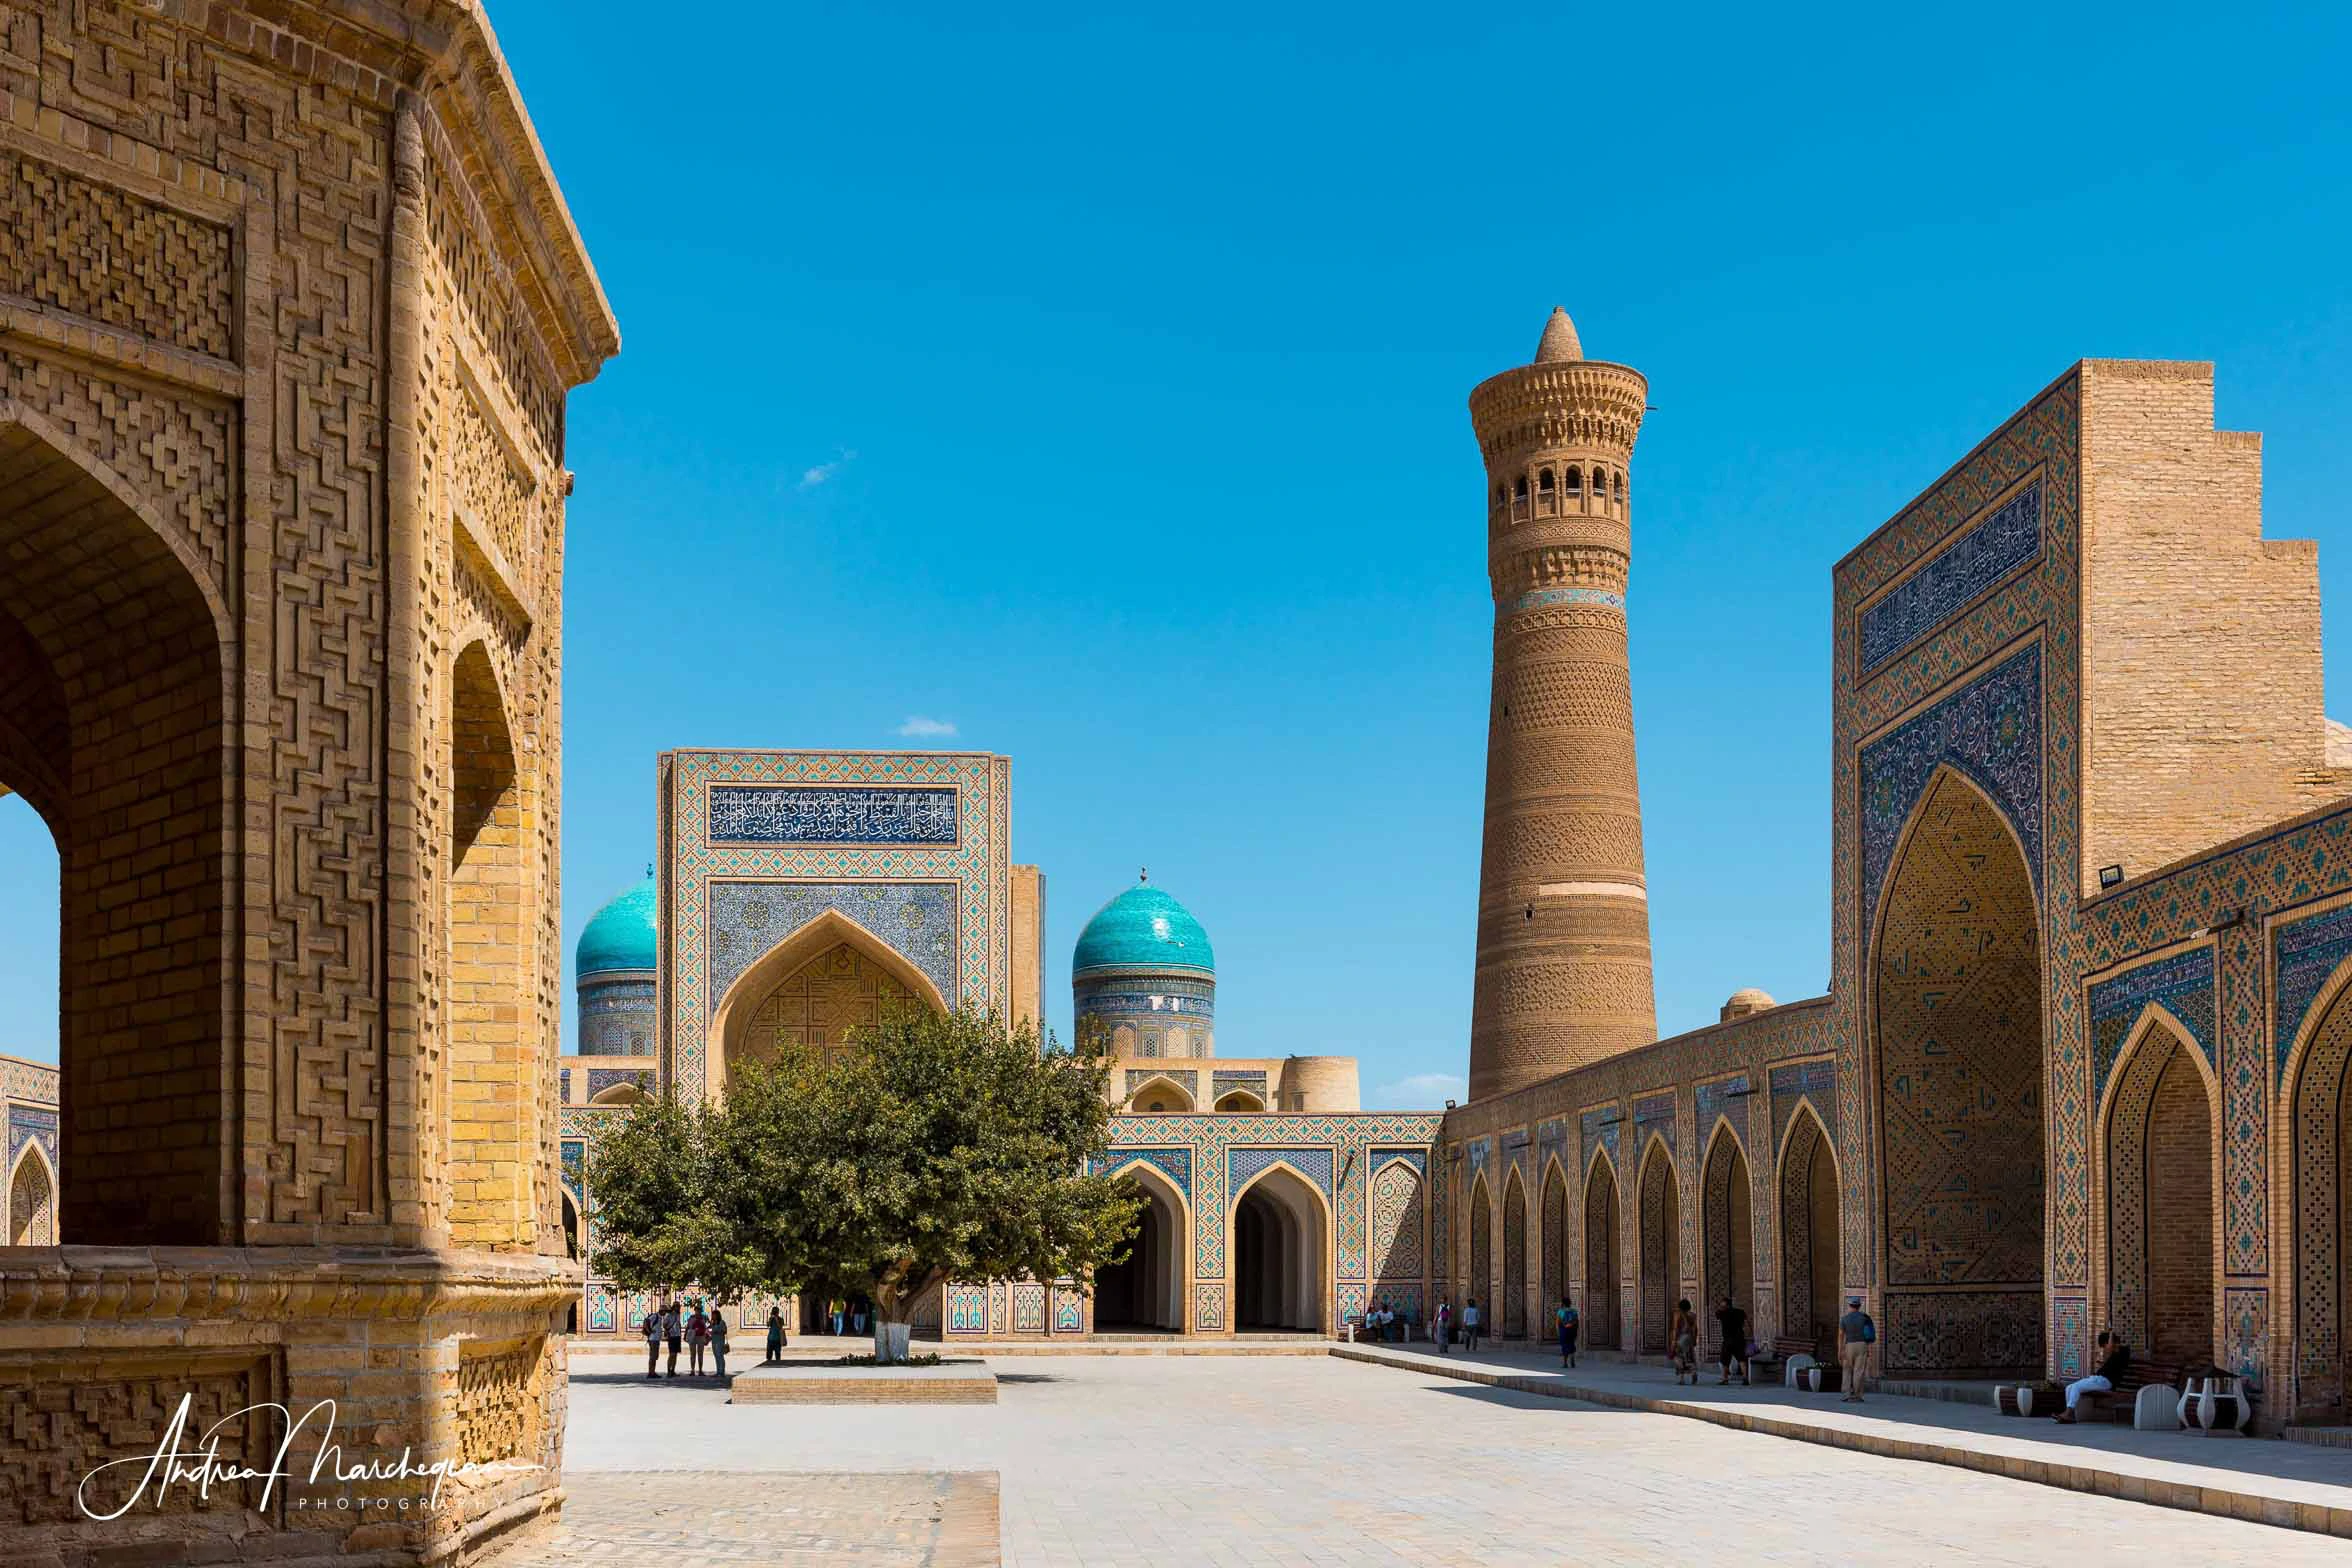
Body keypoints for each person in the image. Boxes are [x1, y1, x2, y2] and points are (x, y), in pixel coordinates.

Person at [2057, 1331, 2131, 1423]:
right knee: (2069, 1387)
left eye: (2104, 1345)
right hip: (2099, 1379)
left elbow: (2110, 1348)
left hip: (2106, 1382)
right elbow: (2109, 1350)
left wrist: (2111, 1333)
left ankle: (2068, 1413)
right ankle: (2070, 1414)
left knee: (2076, 1387)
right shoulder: (2114, 1354)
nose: (2105, 1349)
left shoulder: (2122, 1351)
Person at [1837, 1296, 1874, 1402]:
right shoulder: (1865, 1317)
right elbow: (1869, 1333)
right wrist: (1869, 1349)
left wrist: (1840, 1350)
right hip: (1862, 1345)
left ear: (1849, 1305)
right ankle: (1858, 1395)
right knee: (1859, 1371)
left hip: (1849, 1345)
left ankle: (1846, 1394)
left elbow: (1840, 1335)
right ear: (1859, 1306)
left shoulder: (1844, 1319)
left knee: (1847, 1370)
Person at [1715, 1297, 1750, 1386]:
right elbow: (1747, 1323)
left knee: (1725, 1360)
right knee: (1741, 1359)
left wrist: (1721, 1307)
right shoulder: (1740, 1312)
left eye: (1722, 1304)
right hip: (1739, 1339)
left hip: (1728, 1340)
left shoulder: (1723, 1313)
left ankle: (1725, 1379)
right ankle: (1745, 1378)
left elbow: (1717, 1313)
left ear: (1725, 1305)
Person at [1670, 1299, 1697, 1384]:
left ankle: (1682, 1379)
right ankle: (1693, 1372)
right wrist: (1694, 1339)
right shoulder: (1693, 1315)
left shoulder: (1678, 1315)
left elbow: (1676, 1328)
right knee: (1689, 1357)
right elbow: (1695, 1329)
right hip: (1689, 1338)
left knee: (1678, 1357)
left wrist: (1673, 1341)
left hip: (1681, 1338)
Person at [685, 1302, 710, 1376]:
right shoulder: (692, 1317)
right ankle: (692, 1370)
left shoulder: (704, 1317)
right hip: (693, 1337)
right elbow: (688, 1326)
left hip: (701, 1337)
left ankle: (700, 1370)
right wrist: (686, 1336)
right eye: (697, 1310)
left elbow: (708, 1325)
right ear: (695, 1310)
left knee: (700, 1354)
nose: (698, 1311)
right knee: (692, 1354)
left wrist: (706, 1334)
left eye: (699, 1310)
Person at [642, 1301, 664, 1379]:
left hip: (656, 1339)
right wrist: (649, 1331)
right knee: (653, 1356)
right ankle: (651, 1373)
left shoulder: (660, 1317)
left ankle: (652, 1372)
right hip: (653, 1339)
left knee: (654, 1356)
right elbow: (646, 1321)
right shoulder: (655, 1316)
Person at [1557, 1295, 1580, 1368]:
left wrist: (1558, 1331)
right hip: (1572, 1330)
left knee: (1564, 1346)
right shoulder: (1574, 1311)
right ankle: (1572, 1359)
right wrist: (1576, 1330)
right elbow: (1576, 1321)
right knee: (1571, 1344)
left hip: (1563, 1330)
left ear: (1563, 1303)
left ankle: (1565, 1363)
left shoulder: (1560, 1311)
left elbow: (1558, 1322)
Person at [664, 1300, 684, 1377]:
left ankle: (673, 1371)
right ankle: (669, 1370)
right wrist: (668, 1331)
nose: (678, 1308)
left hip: (677, 1336)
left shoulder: (678, 1315)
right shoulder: (668, 1315)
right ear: (674, 1307)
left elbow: (678, 1324)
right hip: (672, 1336)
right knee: (671, 1354)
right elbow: (664, 1325)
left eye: (679, 1306)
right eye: (677, 1306)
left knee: (675, 1354)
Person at [709, 1309, 730, 1380]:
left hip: (720, 1341)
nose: (713, 1316)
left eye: (714, 1314)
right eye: (712, 1315)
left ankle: (722, 1372)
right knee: (716, 1357)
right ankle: (718, 1371)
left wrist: (717, 1331)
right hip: (714, 1341)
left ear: (717, 1315)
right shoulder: (713, 1323)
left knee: (720, 1356)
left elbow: (725, 1331)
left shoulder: (721, 1322)